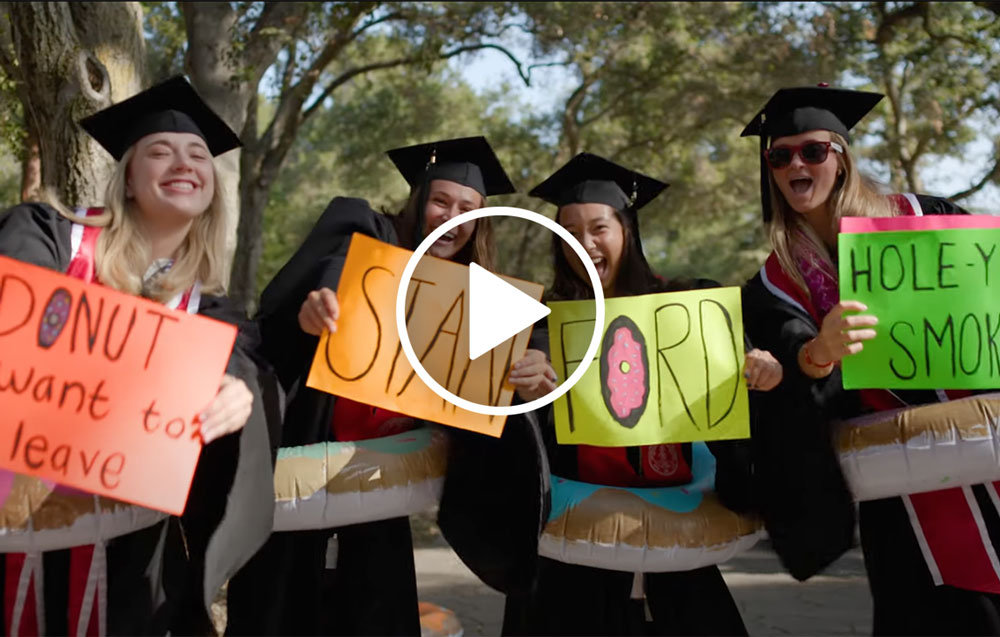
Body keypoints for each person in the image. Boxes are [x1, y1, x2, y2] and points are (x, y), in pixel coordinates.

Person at [0, 76, 274, 636]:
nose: (184, 162)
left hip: (127, 540)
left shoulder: (211, 309)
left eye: (198, 154)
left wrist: (236, 389)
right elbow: (18, 311)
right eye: (160, 151)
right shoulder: (49, 237)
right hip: (11, 511)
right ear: (126, 178)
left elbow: (242, 362)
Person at [226, 136, 531, 636]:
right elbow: (299, 301)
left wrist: (525, 368)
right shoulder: (367, 237)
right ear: (419, 199)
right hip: (306, 460)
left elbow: (483, 401)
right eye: (440, 201)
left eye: (467, 209)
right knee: (278, 610)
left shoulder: (475, 295)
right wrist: (311, 313)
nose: (451, 217)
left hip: (381, 485)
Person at [739, 84, 1000, 635]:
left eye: (813, 150)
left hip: (987, 444)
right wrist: (817, 356)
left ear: (841, 156)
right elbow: (790, 397)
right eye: (779, 155)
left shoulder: (927, 220)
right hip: (896, 482)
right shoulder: (772, 286)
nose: (795, 164)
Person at [498, 152, 781, 636]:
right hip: (575, 549)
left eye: (599, 227)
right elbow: (525, 435)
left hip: (676, 540)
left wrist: (762, 371)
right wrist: (528, 386)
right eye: (570, 230)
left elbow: (733, 411)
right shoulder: (546, 322)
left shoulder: (687, 306)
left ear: (627, 229)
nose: (584, 244)